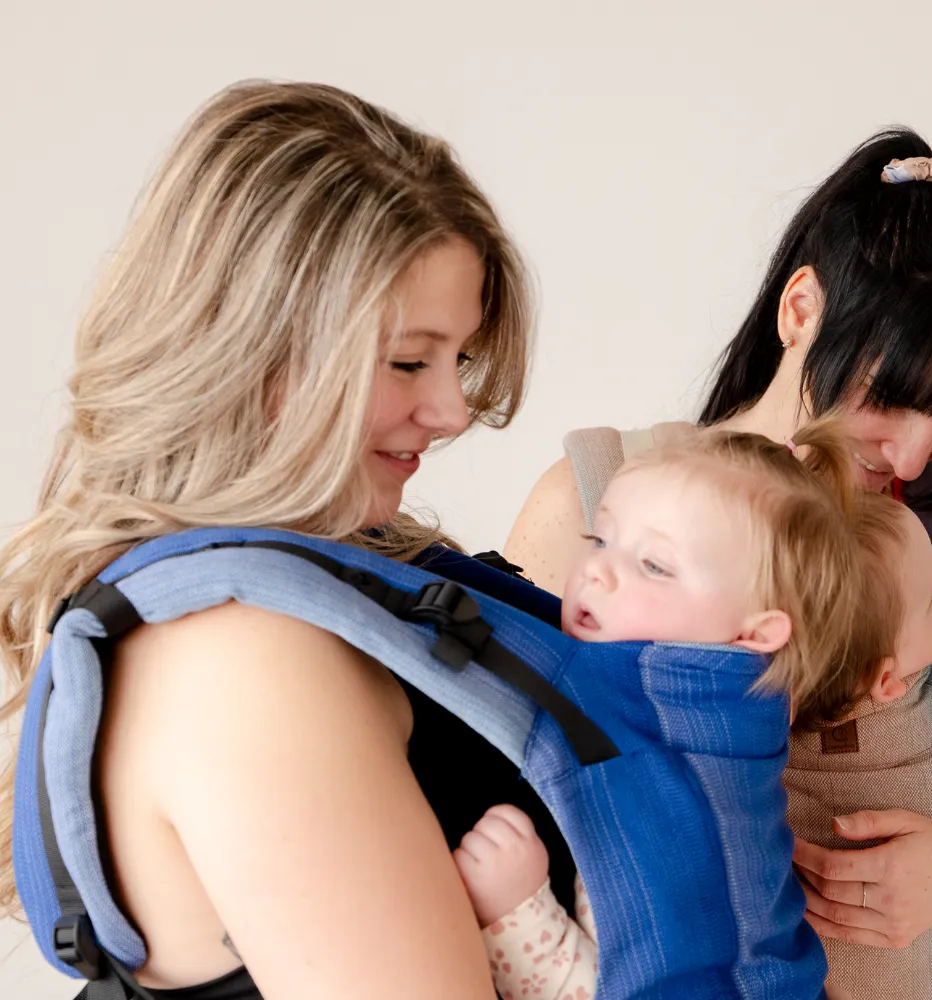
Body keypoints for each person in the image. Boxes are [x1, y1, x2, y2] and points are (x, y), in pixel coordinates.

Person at [0, 80, 535, 998]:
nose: (451, 412)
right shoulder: (241, 656)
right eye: (410, 361)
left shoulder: (309, 582)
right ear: (255, 353)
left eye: (463, 360)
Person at [505, 130, 932, 999]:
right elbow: (514, 813)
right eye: (888, 401)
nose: (915, 461)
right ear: (801, 309)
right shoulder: (596, 502)